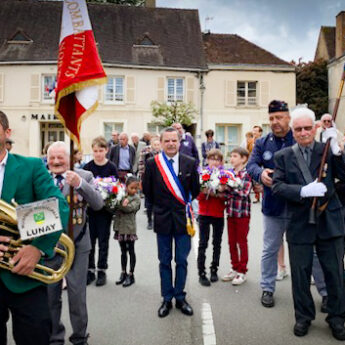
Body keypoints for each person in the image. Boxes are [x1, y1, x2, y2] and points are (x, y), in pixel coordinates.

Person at [272, 106, 345, 340]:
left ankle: (337, 317)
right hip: (300, 222)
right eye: (298, 129)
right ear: (292, 131)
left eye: (307, 128)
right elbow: (277, 186)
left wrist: (338, 151)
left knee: (335, 273)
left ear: (314, 128)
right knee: (301, 274)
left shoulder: (327, 150)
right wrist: (302, 190)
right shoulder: (283, 156)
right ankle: (303, 317)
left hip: (329, 220)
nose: (303, 133)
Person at [247, 100, 328, 309]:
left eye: (280, 117)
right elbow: (251, 165)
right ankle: (267, 288)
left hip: (300, 207)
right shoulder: (262, 143)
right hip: (273, 207)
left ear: (288, 119)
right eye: (272, 118)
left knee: (313, 249)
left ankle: (325, 292)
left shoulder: (300, 136)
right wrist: (260, 173)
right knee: (270, 249)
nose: (275, 122)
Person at [0, 111, 69, 345]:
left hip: (26, 274)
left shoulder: (30, 166)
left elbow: (59, 207)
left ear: (7, 133)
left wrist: (37, 248)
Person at [47, 141, 104, 345]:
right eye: (51, 157)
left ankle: (80, 337)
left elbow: (98, 204)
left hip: (78, 245)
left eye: (60, 157)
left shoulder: (85, 176)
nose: (55, 161)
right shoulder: (41, 177)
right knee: (50, 296)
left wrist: (79, 183)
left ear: (70, 159)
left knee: (77, 296)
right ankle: (54, 337)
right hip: (50, 248)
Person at [143, 127, 200, 318]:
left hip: (183, 219)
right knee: (164, 261)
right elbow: (147, 191)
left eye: (174, 140)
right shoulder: (152, 164)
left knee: (182, 260)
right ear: (161, 142)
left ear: (179, 141)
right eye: (166, 140)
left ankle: (180, 297)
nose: (170, 144)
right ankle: (167, 298)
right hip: (162, 218)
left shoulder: (190, 162)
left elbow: (196, 190)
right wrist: (158, 209)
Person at [83, 136, 118, 286]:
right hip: (90, 211)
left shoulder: (111, 167)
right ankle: (90, 269)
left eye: (101, 150)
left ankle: (101, 270)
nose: (98, 153)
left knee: (103, 241)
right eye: (95, 151)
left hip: (105, 211)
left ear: (106, 150)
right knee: (89, 242)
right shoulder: (87, 167)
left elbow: (116, 189)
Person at [222, 147, 252, 285]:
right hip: (231, 212)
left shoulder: (247, 174)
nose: (232, 159)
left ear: (243, 159)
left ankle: (242, 271)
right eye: (231, 156)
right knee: (231, 242)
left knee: (242, 241)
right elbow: (226, 193)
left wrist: (229, 187)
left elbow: (244, 192)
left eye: (235, 156)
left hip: (242, 214)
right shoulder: (229, 173)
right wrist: (224, 188)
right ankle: (234, 267)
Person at [197, 149, 226, 286]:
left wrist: (217, 193)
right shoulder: (203, 174)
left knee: (217, 243)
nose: (215, 162)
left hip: (218, 213)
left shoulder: (225, 175)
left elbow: (226, 195)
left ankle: (214, 269)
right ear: (207, 160)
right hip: (204, 213)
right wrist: (207, 191)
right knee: (203, 243)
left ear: (221, 162)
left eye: (217, 159)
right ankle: (201, 272)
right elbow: (198, 195)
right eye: (212, 159)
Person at [113, 175, 141, 287]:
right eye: (131, 188)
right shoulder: (121, 196)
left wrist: (121, 204)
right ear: (126, 187)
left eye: (136, 188)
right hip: (120, 228)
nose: (134, 190)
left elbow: (129, 208)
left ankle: (131, 273)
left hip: (129, 229)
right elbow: (114, 207)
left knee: (131, 251)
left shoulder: (137, 199)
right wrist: (118, 201)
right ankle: (123, 272)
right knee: (123, 251)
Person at [138, 136, 161, 230]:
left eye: (158, 144)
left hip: (159, 181)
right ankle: (149, 220)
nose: (156, 146)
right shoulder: (146, 153)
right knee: (149, 202)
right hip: (148, 179)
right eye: (155, 144)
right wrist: (141, 178)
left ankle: (157, 220)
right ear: (151, 145)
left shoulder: (163, 154)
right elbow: (141, 164)